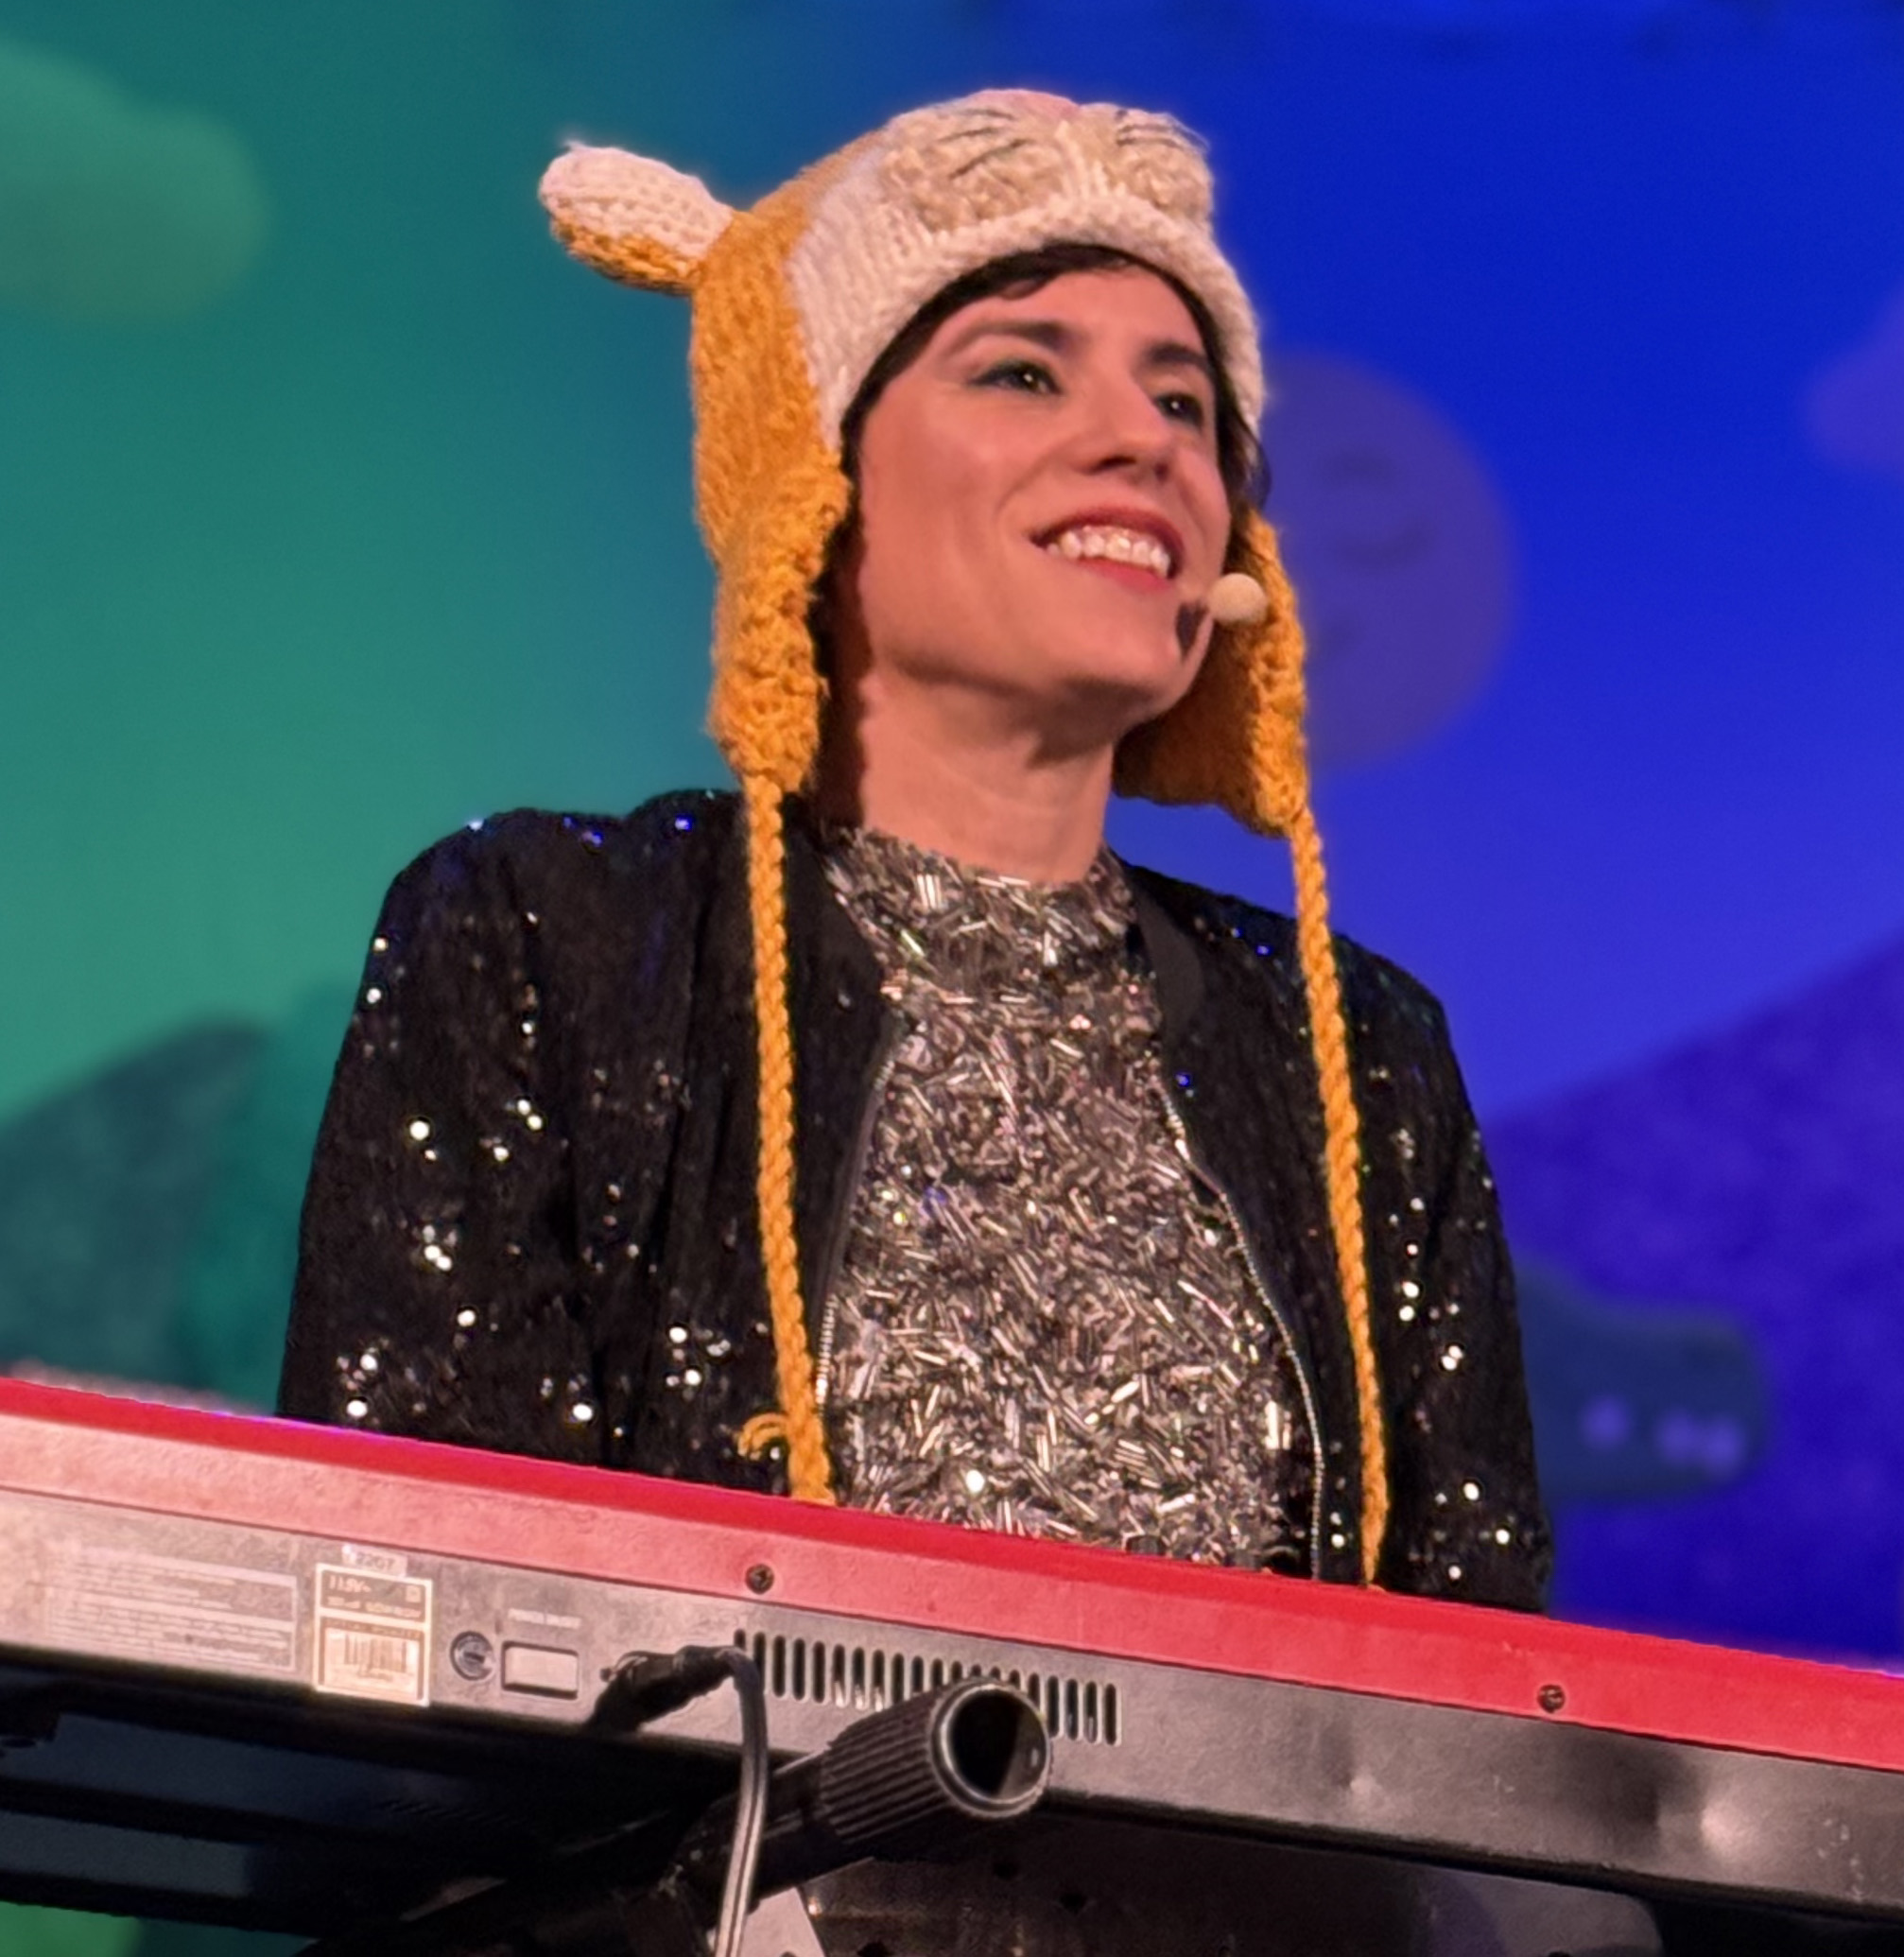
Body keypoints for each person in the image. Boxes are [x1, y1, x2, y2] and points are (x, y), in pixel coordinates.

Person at [279, 89, 1549, 1611]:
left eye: (1185, 406)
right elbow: (428, 1612)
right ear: (813, 481)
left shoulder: (1360, 1055)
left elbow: (1474, 1682)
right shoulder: (545, 942)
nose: (1140, 444)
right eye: (1021, 372)